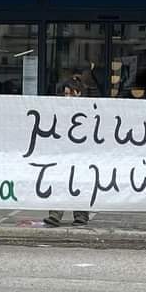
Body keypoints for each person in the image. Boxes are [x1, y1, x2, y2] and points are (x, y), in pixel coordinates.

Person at [45, 82, 89, 228]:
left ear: (78, 93)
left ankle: (81, 215)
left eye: (70, 93)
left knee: (80, 182)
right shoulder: (60, 110)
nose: (67, 97)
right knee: (59, 181)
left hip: (80, 153)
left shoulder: (87, 109)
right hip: (63, 152)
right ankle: (55, 214)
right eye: (65, 94)